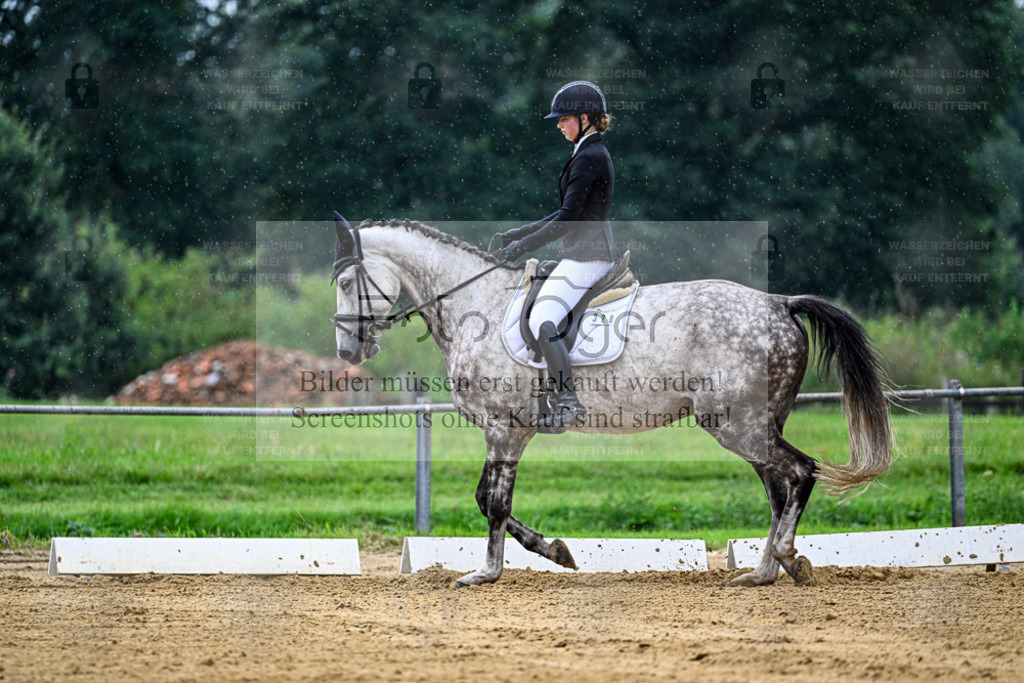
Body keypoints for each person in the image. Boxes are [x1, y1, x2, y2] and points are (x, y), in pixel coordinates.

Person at [500, 80, 618, 432]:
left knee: (542, 320)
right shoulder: (586, 152)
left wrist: (525, 247)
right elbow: (567, 210)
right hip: (585, 251)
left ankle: (568, 402)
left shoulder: (590, 156)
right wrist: (521, 233)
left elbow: (568, 219)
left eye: (564, 118)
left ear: (585, 117)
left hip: (589, 255)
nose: (558, 124)